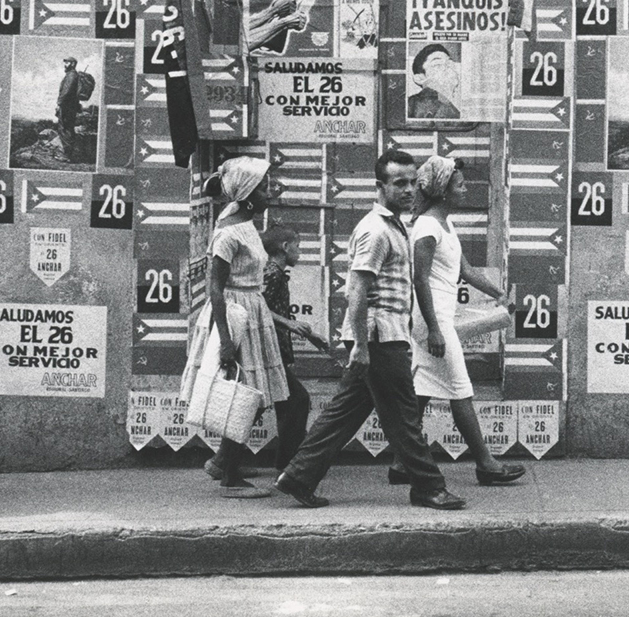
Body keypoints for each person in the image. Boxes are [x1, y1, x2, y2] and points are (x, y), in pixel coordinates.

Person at [275, 149, 466, 510]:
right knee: (405, 415)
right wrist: (361, 346)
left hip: (385, 334)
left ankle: (298, 475)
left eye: (413, 182)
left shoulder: (394, 225)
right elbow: (357, 290)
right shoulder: (375, 230)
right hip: (379, 337)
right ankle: (428, 486)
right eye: (399, 183)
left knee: (345, 411)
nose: (409, 190)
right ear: (380, 187)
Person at [391, 155, 525, 487]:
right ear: (443, 190)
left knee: (421, 391)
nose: (465, 189)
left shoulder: (445, 224)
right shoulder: (426, 227)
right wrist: (435, 329)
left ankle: (399, 463)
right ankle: (486, 464)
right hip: (431, 321)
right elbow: (419, 280)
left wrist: (500, 294)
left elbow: (464, 270)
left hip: (438, 318)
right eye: (460, 184)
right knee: (461, 390)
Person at [180, 157, 293, 498]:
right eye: (262, 187)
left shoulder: (242, 220)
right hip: (234, 313)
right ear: (246, 195)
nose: (269, 191)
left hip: (250, 310)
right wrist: (226, 340)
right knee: (246, 393)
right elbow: (214, 288)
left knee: (252, 391)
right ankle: (229, 476)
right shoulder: (229, 231)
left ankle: (223, 461)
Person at [201, 225, 329, 481]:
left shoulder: (276, 272)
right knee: (293, 401)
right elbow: (258, 309)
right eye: (298, 246)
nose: (300, 252)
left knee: (266, 404)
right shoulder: (271, 273)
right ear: (285, 247)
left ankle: (224, 462)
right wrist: (290, 324)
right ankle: (286, 466)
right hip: (266, 349)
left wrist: (309, 335)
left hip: (271, 347)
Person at [407, 44, 461, 120]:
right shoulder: (409, 105)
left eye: (450, 64)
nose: (447, 68)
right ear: (419, 78)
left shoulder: (459, 109)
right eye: (437, 65)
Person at [56, 56, 80, 160]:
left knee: (65, 129)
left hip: (67, 106)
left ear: (73, 64)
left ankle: (67, 156)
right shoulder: (72, 75)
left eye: (67, 62)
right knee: (67, 128)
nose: (65, 65)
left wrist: (59, 103)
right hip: (70, 106)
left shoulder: (71, 75)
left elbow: (66, 91)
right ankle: (69, 154)